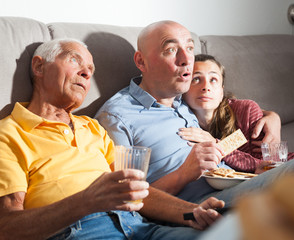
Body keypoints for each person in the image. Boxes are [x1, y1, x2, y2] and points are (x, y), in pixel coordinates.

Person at [95, 20, 294, 207]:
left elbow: (237, 118)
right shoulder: (119, 116)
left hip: (241, 181)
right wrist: (184, 174)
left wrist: (273, 117)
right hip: (196, 202)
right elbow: (124, 198)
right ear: (141, 61)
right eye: (171, 49)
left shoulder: (182, 98)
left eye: (189, 47)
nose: (186, 60)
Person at [0, 38, 225, 240]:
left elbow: (134, 191)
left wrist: (191, 212)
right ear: (39, 66)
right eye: (74, 61)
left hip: (139, 227)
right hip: (79, 231)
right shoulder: (9, 133)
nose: (86, 73)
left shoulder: (93, 128)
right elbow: (6, 227)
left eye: (90, 69)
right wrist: (85, 201)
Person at [180, 54, 294, 174]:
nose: (206, 87)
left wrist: (216, 145)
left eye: (213, 79)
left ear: (221, 91)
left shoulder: (246, 111)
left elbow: (267, 167)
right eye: (196, 79)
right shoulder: (178, 118)